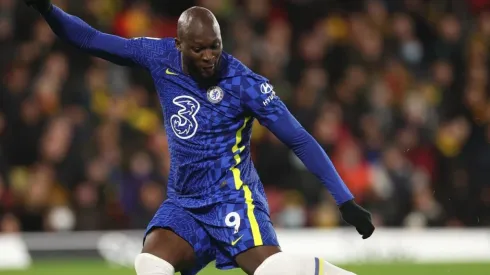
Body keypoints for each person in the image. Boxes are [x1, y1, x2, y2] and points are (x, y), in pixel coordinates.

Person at [23, 1, 375, 275]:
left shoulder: (245, 85)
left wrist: (343, 201)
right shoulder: (158, 56)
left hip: (233, 199)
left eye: (215, 47)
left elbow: (299, 139)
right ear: (179, 44)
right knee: (150, 265)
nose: (209, 57)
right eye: (199, 49)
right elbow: (90, 40)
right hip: (184, 203)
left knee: (274, 270)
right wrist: (47, 9)